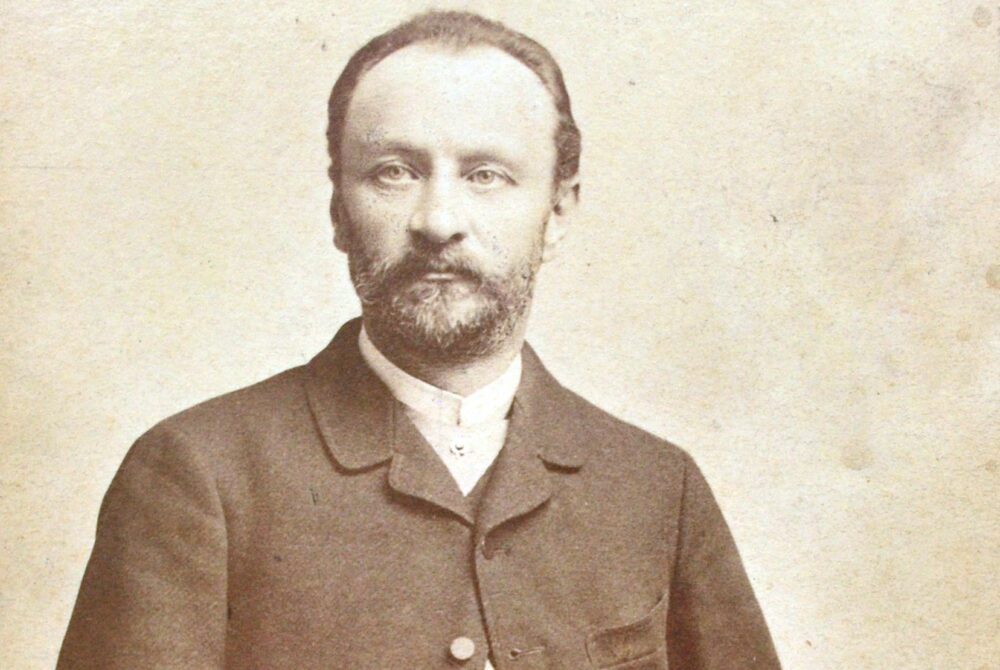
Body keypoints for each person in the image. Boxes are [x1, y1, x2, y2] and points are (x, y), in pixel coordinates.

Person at [58, 10, 781, 670]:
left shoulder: (656, 487)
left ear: (558, 213)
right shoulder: (200, 474)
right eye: (394, 173)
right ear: (339, 212)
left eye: (486, 175)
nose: (438, 221)